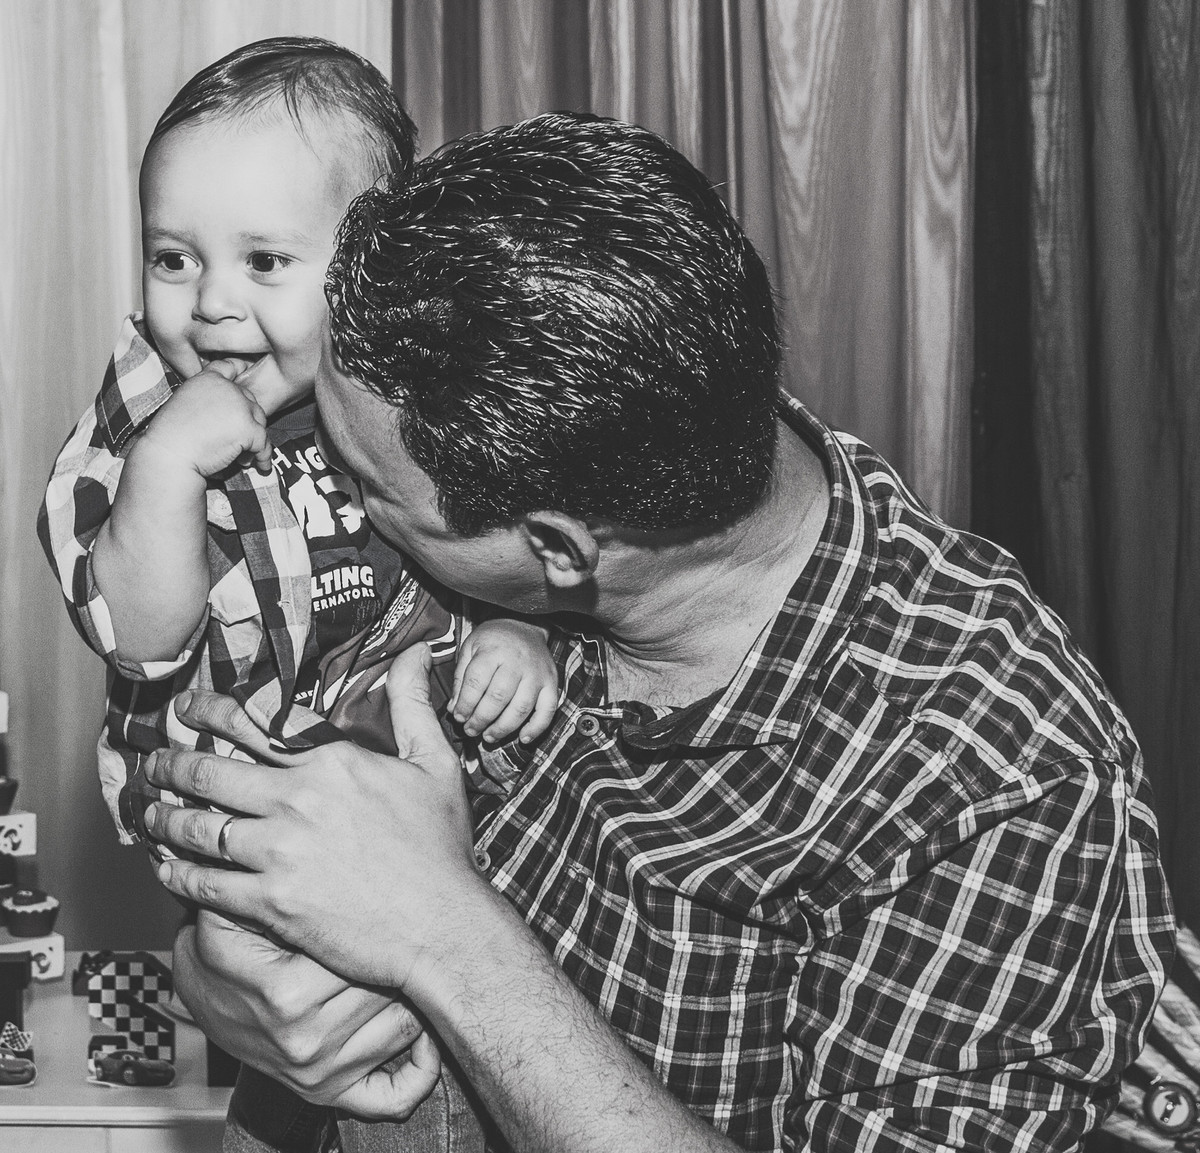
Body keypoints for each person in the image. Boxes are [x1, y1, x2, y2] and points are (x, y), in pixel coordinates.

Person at [139, 111, 1175, 1152]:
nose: (343, 519)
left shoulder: (996, 775)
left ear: (552, 547)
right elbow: (284, 884)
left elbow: (407, 904)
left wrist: (445, 936)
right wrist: (228, 994)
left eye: (366, 490)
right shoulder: (592, 441)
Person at [38, 39, 559, 1153]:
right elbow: (137, 632)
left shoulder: (413, 396)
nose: (212, 304)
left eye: (265, 261)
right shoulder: (140, 421)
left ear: (373, 269)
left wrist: (516, 630)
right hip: (247, 832)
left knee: (408, 1059)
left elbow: (509, 553)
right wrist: (168, 473)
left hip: (442, 811)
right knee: (358, 1061)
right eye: (172, 258)